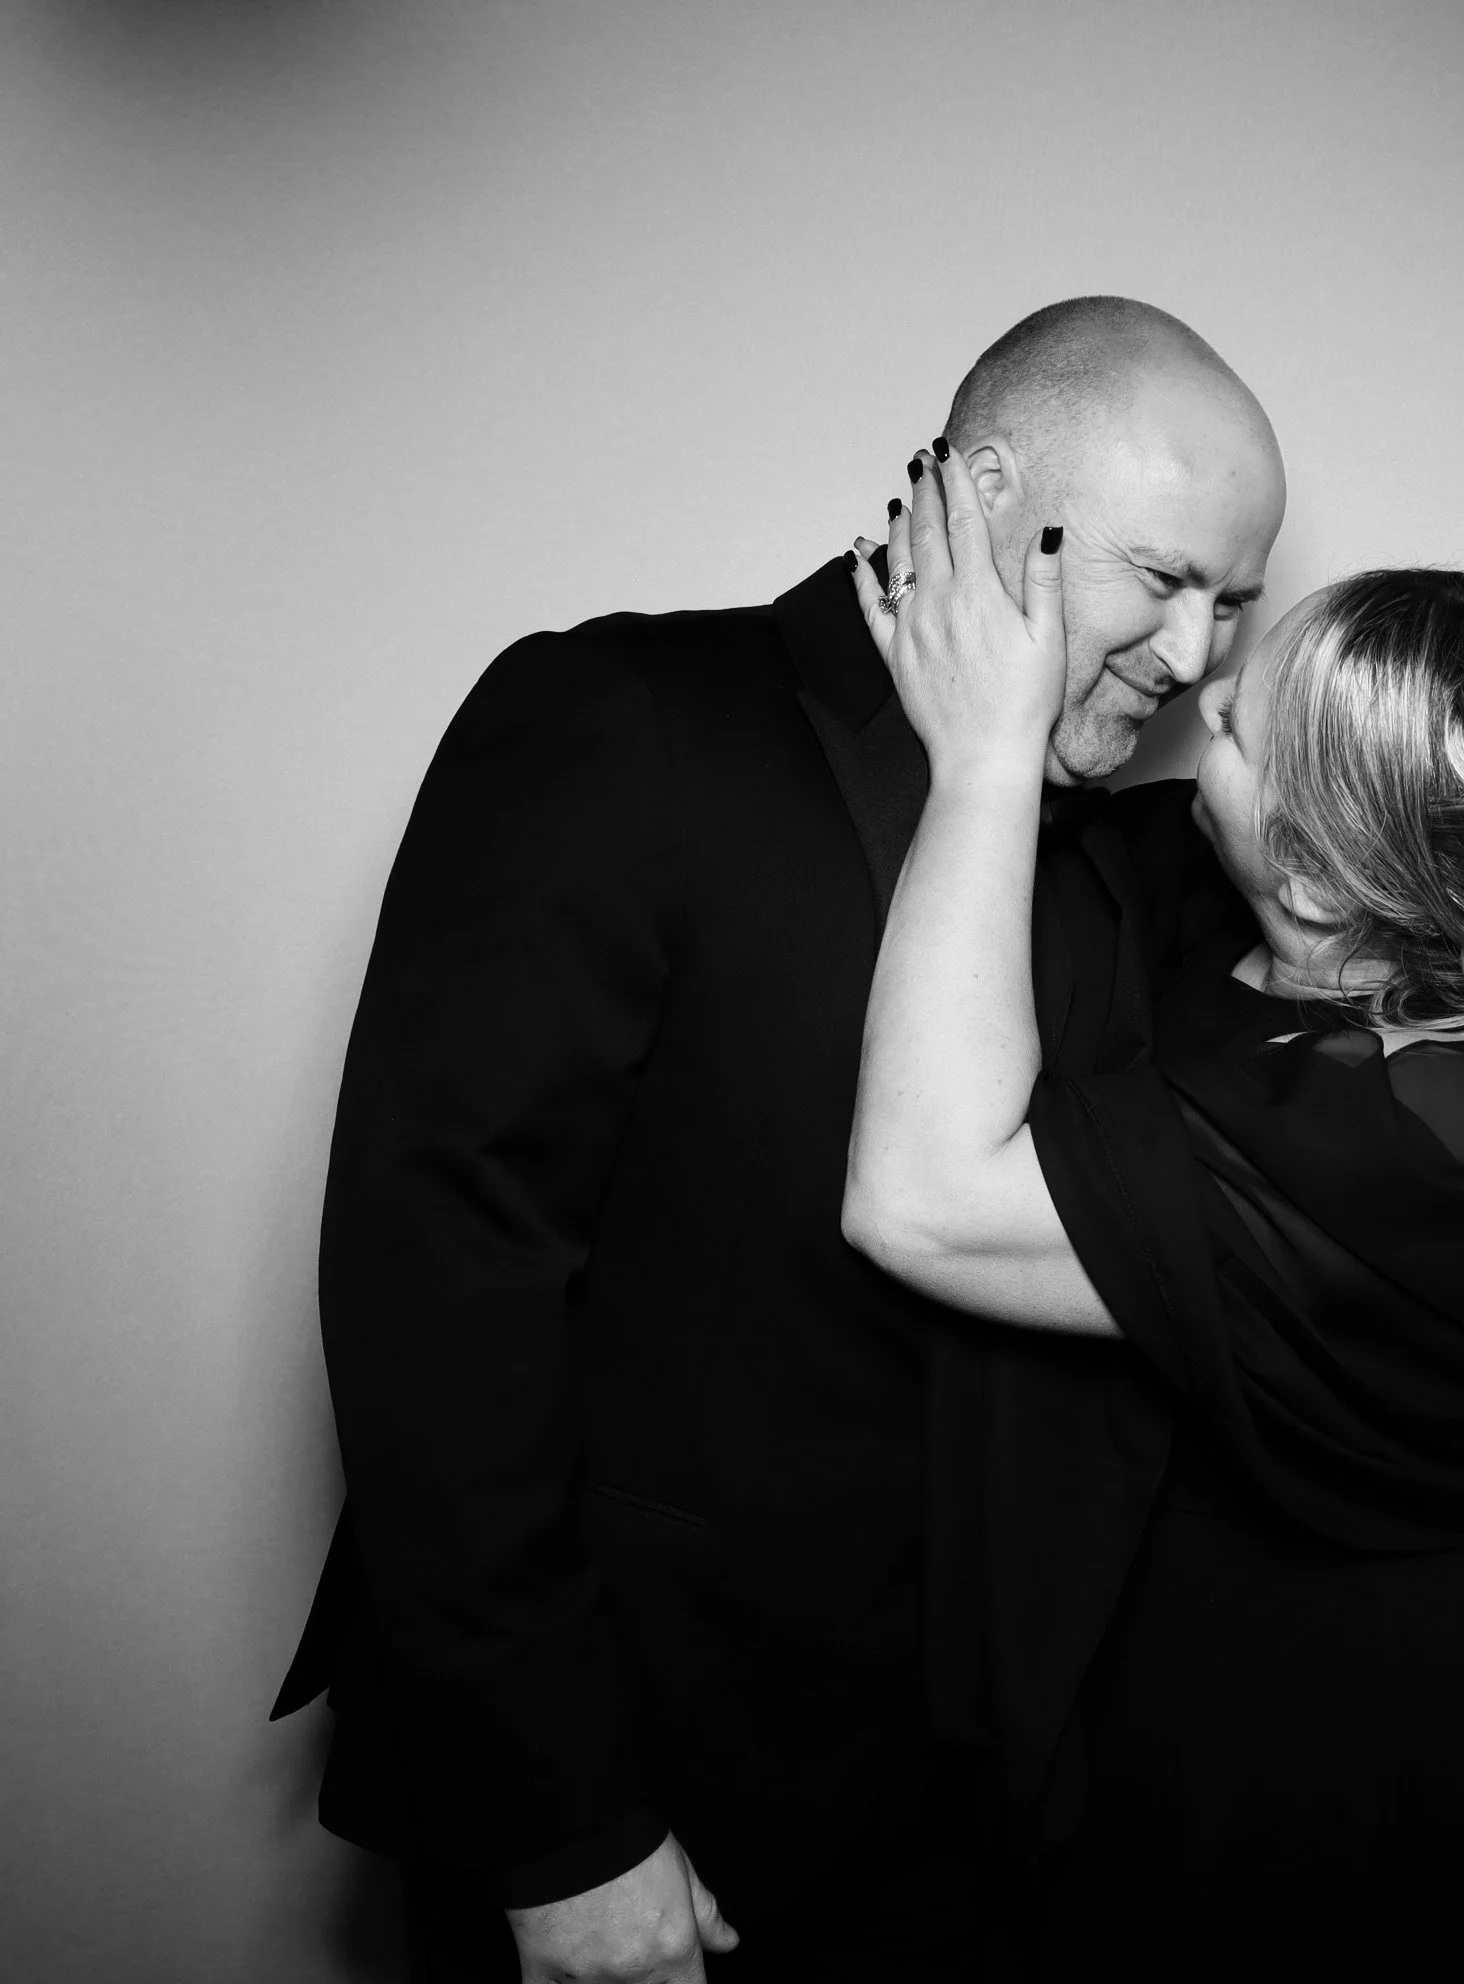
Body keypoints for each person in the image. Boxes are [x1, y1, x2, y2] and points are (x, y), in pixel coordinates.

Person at [266, 295, 1284, 1982]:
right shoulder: (625, 721)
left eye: (1236, 606)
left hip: (989, 1847)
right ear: (975, 497)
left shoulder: (1134, 854)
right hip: (643, 1816)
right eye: (1164, 581)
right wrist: (561, 1831)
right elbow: (435, 1285)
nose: (1196, 663)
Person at [841, 447, 1464, 1978]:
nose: (1203, 695)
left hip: (1361, 1747)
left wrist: (984, 759)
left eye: (1237, 731)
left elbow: (920, 1201)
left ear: (1317, 877)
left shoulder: (1414, 1148)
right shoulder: (1398, 940)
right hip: (1220, 1679)